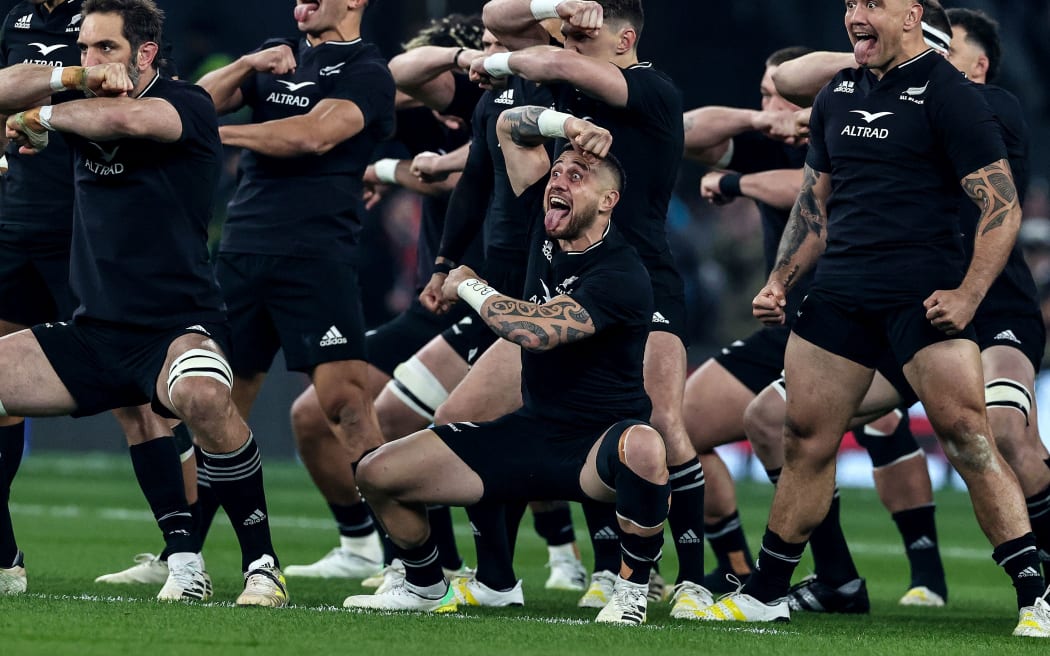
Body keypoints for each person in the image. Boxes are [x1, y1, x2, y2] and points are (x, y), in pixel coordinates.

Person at [697, 0, 1049, 637]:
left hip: (922, 300)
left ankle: (1034, 594)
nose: (855, 14)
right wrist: (780, 278)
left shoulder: (952, 94)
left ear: (912, 14)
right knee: (804, 439)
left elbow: (1001, 208)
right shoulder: (838, 94)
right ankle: (768, 589)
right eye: (850, 5)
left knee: (970, 438)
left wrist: (969, 294)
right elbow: (813, 206)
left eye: (872, 5)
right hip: (839, 296)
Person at [0, 0, 286, 607]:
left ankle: (260, 564)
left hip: (175, 327)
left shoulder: (187, 104)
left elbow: (131, 124)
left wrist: (49, 117)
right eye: (83, 49)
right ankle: (7, 560)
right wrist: (69, 84)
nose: (91, 59)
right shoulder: (78, 99)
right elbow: (6, 87)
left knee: (204, 399)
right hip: (93, 331)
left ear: (146, 54)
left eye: (105, 49)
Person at [345, 108, 668, 625]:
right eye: (557, 172)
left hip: (596, 445)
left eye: (576, 176)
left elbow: (535, 333)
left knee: (649, 445)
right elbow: (506, 127)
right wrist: (567, 127)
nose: (558, 181)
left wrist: (468, 284)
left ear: (608, 202)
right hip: (533, 430)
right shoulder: (543, 228)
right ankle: (427, 583)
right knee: (374, 471)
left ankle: (630, 589)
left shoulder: (621, 272)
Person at [464, 0, 707, 614]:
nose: (566, 43)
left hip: (640, 283)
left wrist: (482, 59)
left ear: (624, 39)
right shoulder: (568, 100)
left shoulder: (652, 89)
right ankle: (495, 578)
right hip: (560, 279)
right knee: (461, 417)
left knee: (659, 426)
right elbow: (501, 15)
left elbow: (540, 55)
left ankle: (694, 580)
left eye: (580, 35)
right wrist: (553, 8)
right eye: (566, 34)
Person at [195, 0, 396, 590]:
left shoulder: (367, 71)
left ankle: (407, 566)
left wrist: (213, 135)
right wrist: (248, 62)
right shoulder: (277, 58)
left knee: (345, 405)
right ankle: (182, 558)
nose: (301, 3)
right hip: (241, 252)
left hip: (316, 257)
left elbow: (312, 136)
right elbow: (197, 101)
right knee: (214, 403)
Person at [279, 13, 486, 583]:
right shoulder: (436, 120)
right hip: (435, 308)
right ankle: (362, 544)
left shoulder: (503, 117)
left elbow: (454, 177)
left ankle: (496, 566)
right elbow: (391, 82)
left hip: (492, 306)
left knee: (448, 429)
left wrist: (384, 167)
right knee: (313, 415)